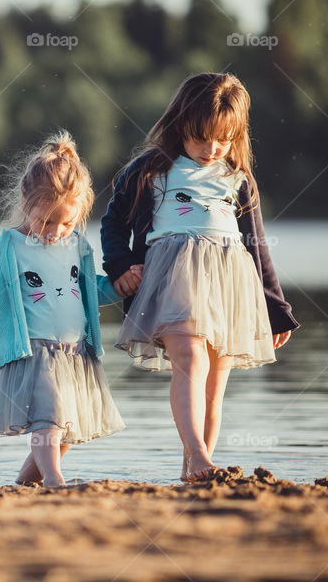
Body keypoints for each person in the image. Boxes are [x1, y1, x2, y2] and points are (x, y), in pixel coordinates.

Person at [100, 72, 300, 482]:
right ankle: (197, 455)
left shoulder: (238, 178)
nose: (212, 149)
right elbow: (113, 222)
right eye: (201, 138)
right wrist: (119, 266)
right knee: (190, 359)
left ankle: (195, 467)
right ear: (180, 126)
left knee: (215, 380)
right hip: (172, 275)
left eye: (223, 139)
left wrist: (276, 308)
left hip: (230, 282)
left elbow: (257, 246)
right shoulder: (149, 170)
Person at [0, 130, 140, 487]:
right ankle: (54, 479)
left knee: (66, 427)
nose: (56, 231)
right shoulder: (7, 247)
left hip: (76, 352)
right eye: (47, 220)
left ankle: (24, 483)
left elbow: (88, 289)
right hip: (33, 351)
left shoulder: (77, 245)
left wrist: (121, 284)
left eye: (67, 222)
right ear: (25, 201)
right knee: (48, 419)